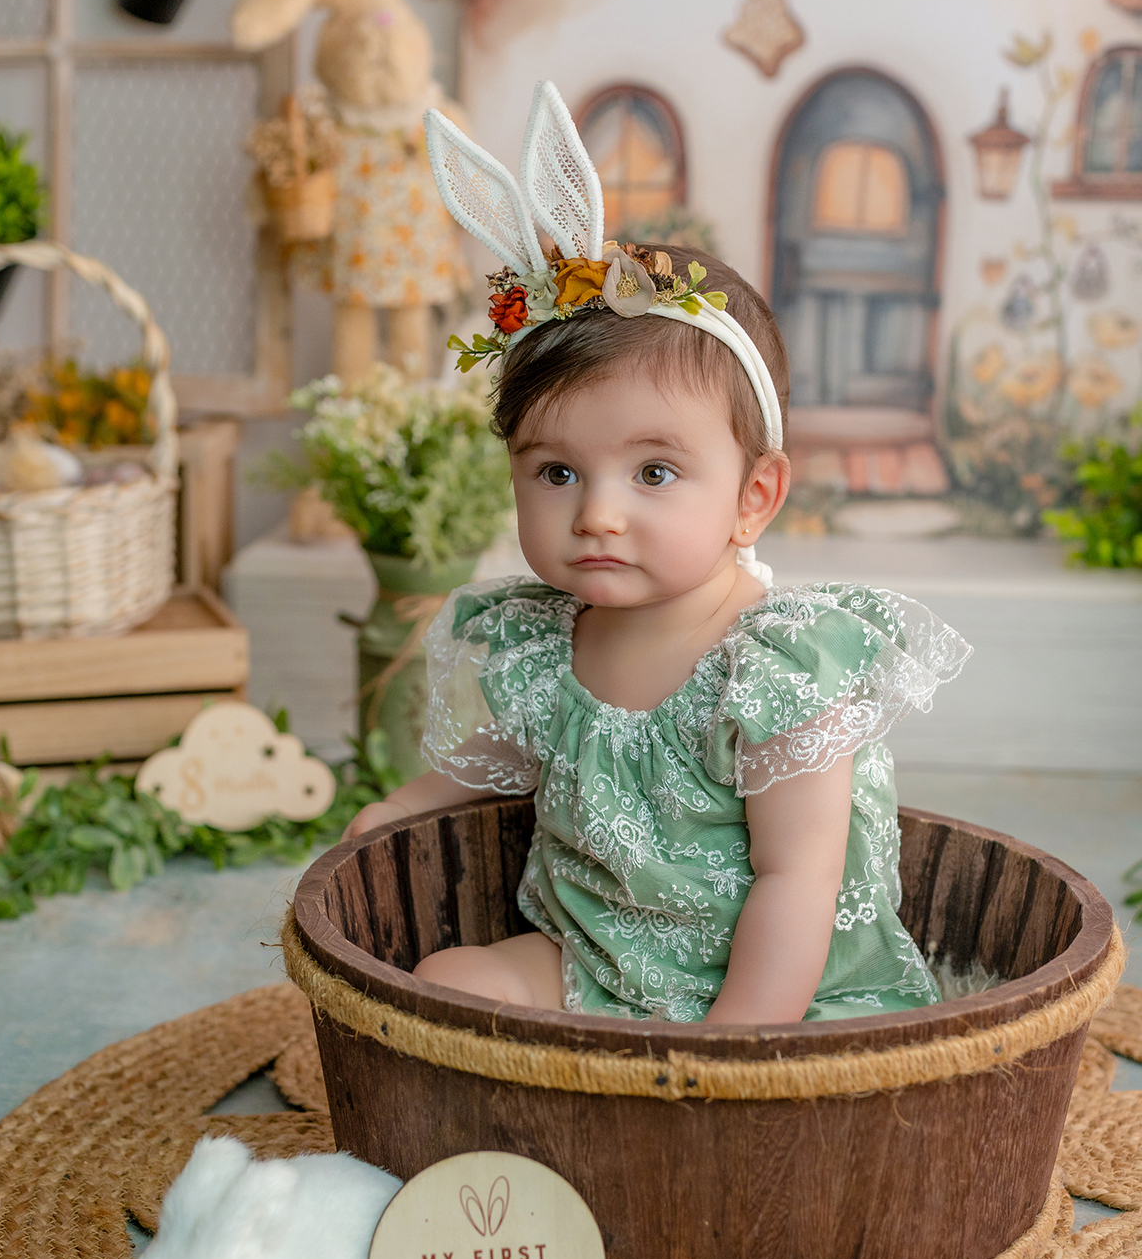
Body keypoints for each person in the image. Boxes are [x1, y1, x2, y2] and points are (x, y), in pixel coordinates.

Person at [343, 83, 970, 1025]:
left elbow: (797, 880)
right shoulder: (547, 643)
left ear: (752, 499)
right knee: (451, 988)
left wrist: (728, 1045)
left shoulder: (778, 671)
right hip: (592, 958)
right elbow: (504, 755)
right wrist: (394, 811)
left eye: (655, 474)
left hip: (771, 995)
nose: (597, 514)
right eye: (556, 473)